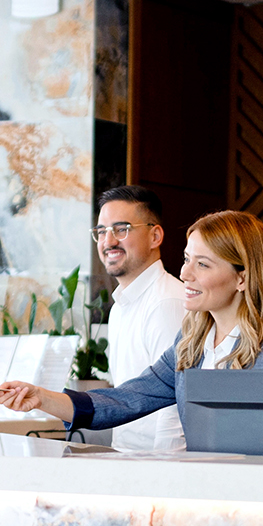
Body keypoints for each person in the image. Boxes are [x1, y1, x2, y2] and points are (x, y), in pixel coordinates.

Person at [0, 210, 263, 437]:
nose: (185, 274)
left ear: (242, 278)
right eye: (187, 259)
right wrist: (43, 397)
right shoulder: (191, 343)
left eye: (202, 264)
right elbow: (126, 400)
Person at [91, 185, 187, 452]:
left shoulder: (168, 301)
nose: (108, 241)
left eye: (121, 229)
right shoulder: (121, 304)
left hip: (157, 468)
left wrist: (163, 476)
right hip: (127, 460)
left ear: (155, 235)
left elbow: (176, 401)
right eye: (101, 231)